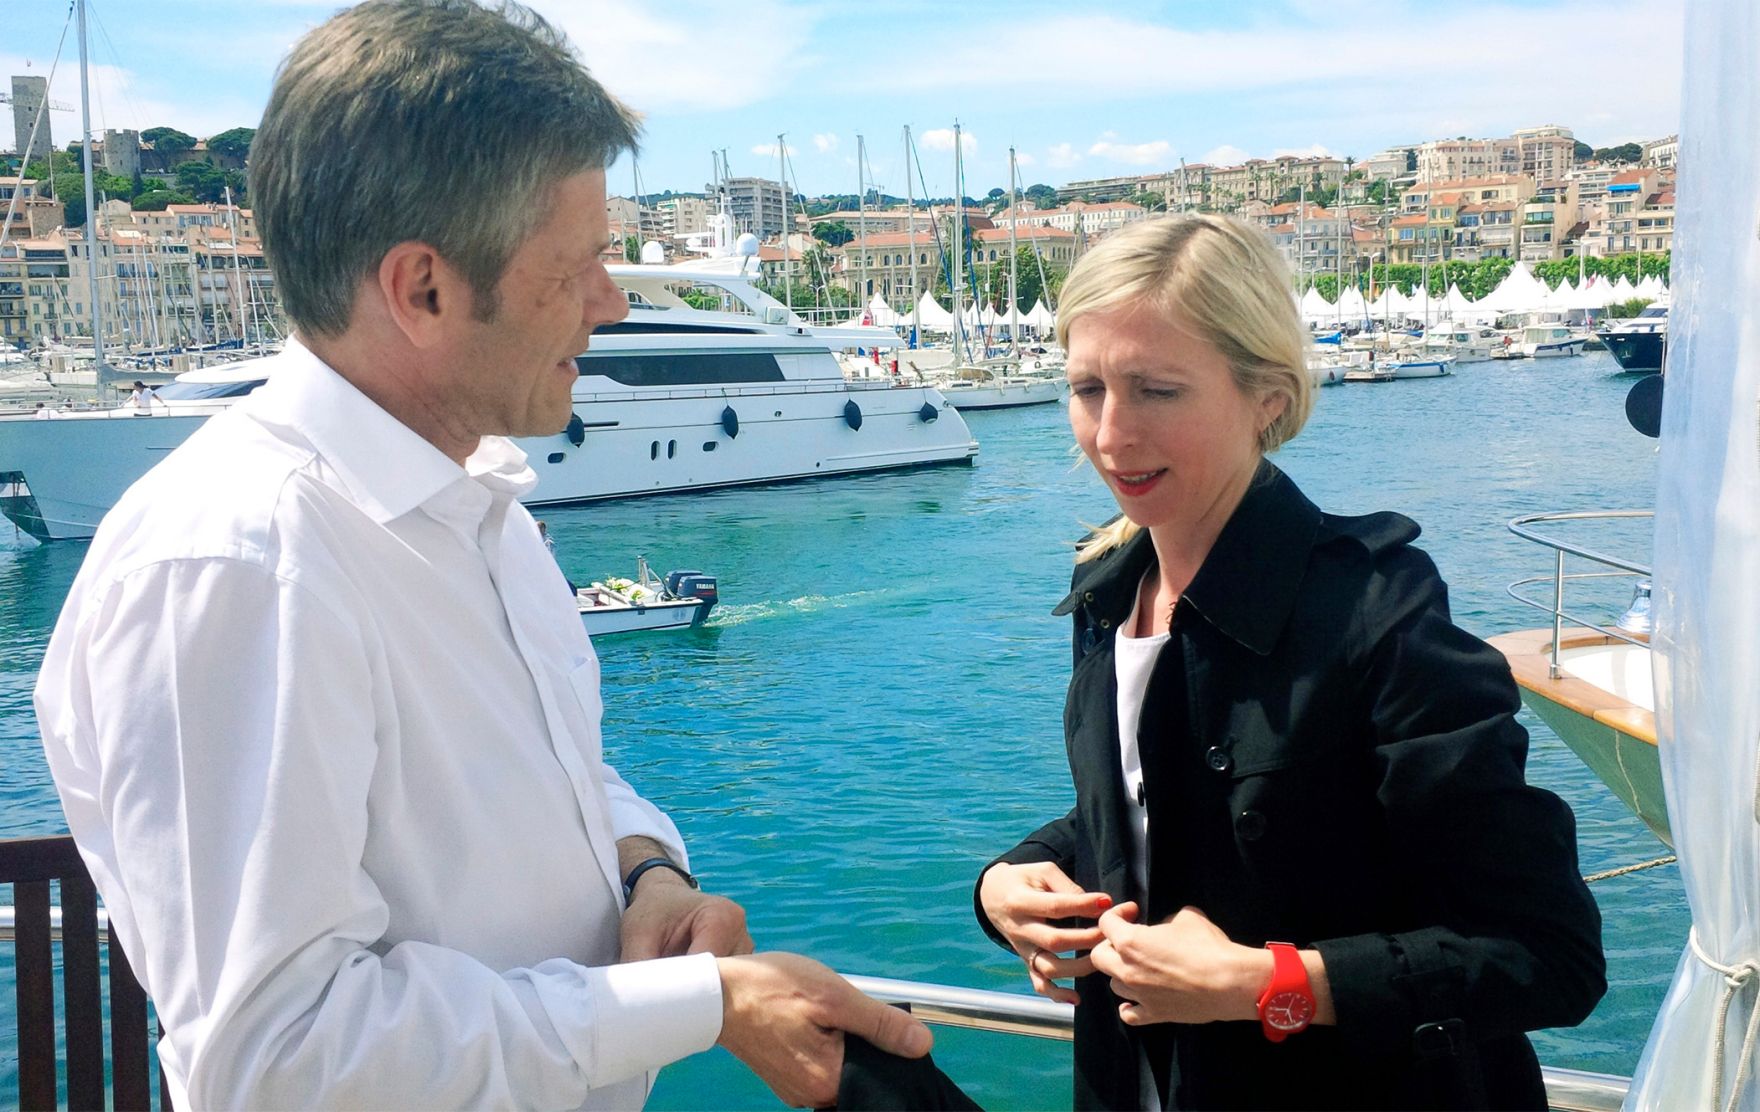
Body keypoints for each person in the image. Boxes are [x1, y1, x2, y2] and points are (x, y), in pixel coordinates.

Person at [34, 2, 929, 1108]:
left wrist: (642, 862)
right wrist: (707, 1001)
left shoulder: (476, 505)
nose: (607, 304)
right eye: (580, 264)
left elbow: (554, 771)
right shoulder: (241, 563)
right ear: (423, 289)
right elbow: (281, 1057)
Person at [974, 215, 1605, 1109]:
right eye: (1087, 389)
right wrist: (1008, 883)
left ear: (1266, 396)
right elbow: (1155, 803)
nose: (1110, 437)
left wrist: (1264, 984)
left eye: (1155, 390)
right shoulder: (1109, 587)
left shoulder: (1379, 611)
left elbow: (1550, 954)